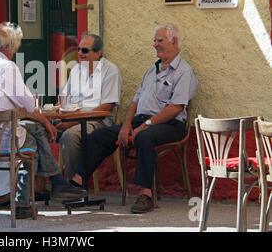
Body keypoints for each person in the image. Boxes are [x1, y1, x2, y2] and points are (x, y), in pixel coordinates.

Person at [69, 23, 198, 214]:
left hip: (170, 124)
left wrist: (143, 127)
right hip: (141, 121)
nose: (154, 44)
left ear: (174, 41)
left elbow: (175, 109)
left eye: (159, 40)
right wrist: (127, 124)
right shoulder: (151, 71)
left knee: (144, 137)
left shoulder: (184, 72)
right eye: (154, 40)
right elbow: (134, 103)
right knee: (100, 135)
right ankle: (77, 183)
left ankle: (146, 194)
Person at [0, 22, 85, 219]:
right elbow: (29, 104)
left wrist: (42, 122)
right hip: (2, 139)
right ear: (12, 46)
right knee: (31, 146)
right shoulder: (6, 67)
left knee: (34, 128)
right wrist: (47, 122)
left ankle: (55, 183)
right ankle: (26, 202)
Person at [58, 33, 122, 181]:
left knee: (71, 136)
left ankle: (72, 185)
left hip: (96, 122)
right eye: (79, 49)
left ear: (98, 53)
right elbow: (63, 98)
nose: (80, 53)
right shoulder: (76, 70)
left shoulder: (110, 71)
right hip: (69, 118)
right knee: (36, 130)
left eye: (85, 50)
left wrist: (73, 122)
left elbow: (106, 109)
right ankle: (39, 186)